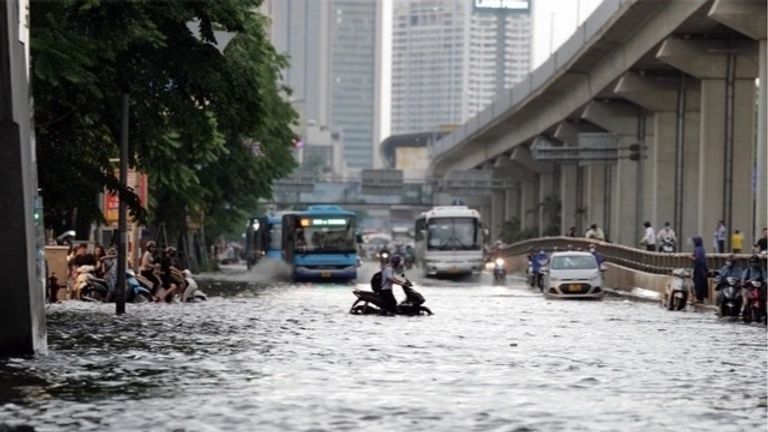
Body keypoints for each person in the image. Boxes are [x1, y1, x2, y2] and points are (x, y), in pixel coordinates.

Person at [690, 236, 708, 304]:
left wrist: (691, 257)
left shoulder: (697, 249)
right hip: (702, 269)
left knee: (698, 284)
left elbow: (697, 259)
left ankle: (699, 298)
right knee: (701, 284)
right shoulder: (702, 249)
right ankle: (700, 298)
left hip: (698, 270)